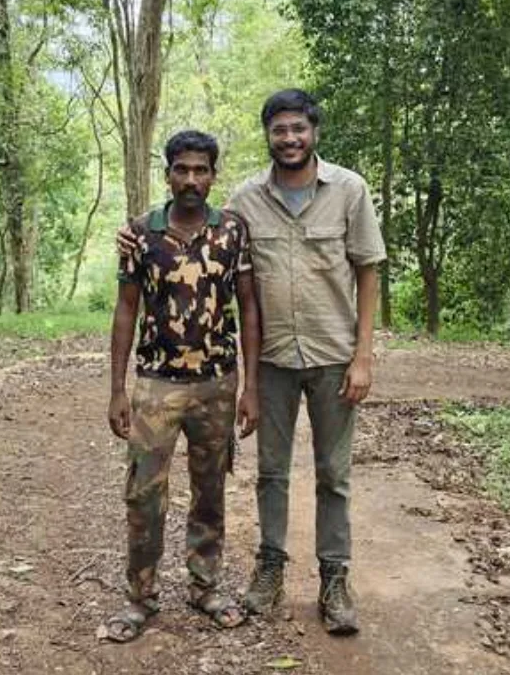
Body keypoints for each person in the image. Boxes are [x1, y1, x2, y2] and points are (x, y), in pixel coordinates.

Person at [118, 89, 385, 635]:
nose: (289, 139)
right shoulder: (244, 201)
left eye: (298, 129)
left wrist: (364, 355)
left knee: (332, 476)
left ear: (314, 132)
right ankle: (266, 570)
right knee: (269, 474)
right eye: (279, 130)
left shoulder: (348, 191)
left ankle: (333, 580)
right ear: (268, 135)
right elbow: (178, 250)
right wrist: (132, 230)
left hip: (332, 354)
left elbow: (366, 270)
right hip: (268, 362)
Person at [104, 129, 262, 643]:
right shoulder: (140, 233)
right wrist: (117, 389)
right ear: (167, 173)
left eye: (201, 170)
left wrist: (251, 386)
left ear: (214, 175)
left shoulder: (232, 231)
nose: (191, 179)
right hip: (155, 385)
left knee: (210, 492)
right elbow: (126, 310)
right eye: (182, 169)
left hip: (217, 383)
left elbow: (249, 307)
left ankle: (205, 587)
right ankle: (140, 597)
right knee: (144, 494)